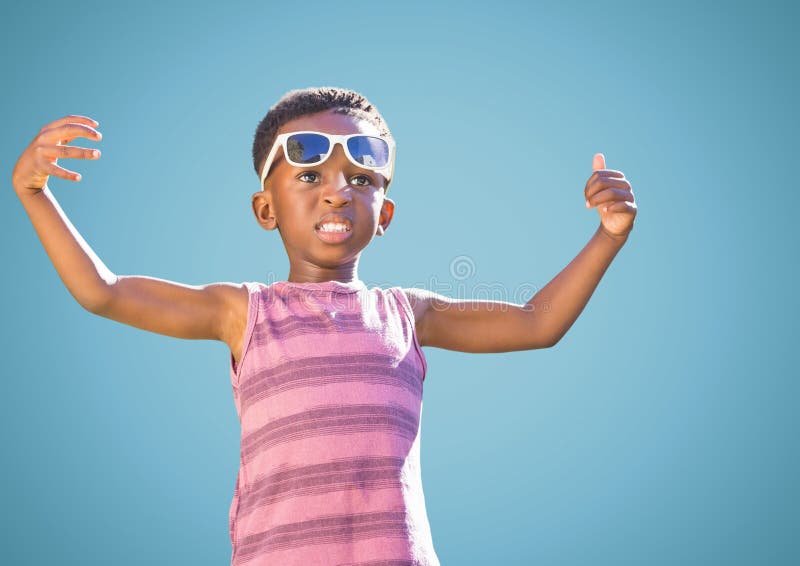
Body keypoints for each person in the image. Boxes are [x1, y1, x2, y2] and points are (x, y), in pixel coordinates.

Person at [11, 86, 637, 566]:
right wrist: (35, 192)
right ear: (266, 209)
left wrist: (606, 238)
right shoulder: (244, 312)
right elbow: (106, 292)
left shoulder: (408, 314)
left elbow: (536, 323)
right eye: (309, 177)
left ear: (383, 214)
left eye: (360, 181)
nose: (337, 193)